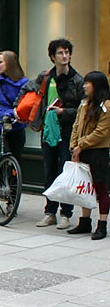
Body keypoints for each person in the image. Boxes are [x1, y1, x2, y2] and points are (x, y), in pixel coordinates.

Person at [33, 39, 85, 230]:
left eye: (67, 52)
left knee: (66, 172)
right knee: (49, 172)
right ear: (53, 57)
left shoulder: (77, 80)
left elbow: (82, 109)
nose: (65, 56)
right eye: (60, 53)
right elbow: (30, 92)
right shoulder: (45, 77)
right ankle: (50, 212)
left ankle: (66, 213)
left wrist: (64, 112)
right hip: (49, 130)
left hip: (67, 132)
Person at [66, 71, 110, 240]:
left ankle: (102, 224)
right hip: (81, 150)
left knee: (100, 187)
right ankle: (84, 221)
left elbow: (101, 131)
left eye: (87, 83)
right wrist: (74, 146)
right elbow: (76, 125)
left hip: (98, 151)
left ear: (96, 85)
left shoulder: (106, 105)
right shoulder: (84, 103)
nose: (84, 86)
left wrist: (81, 144)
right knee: (84, 186)